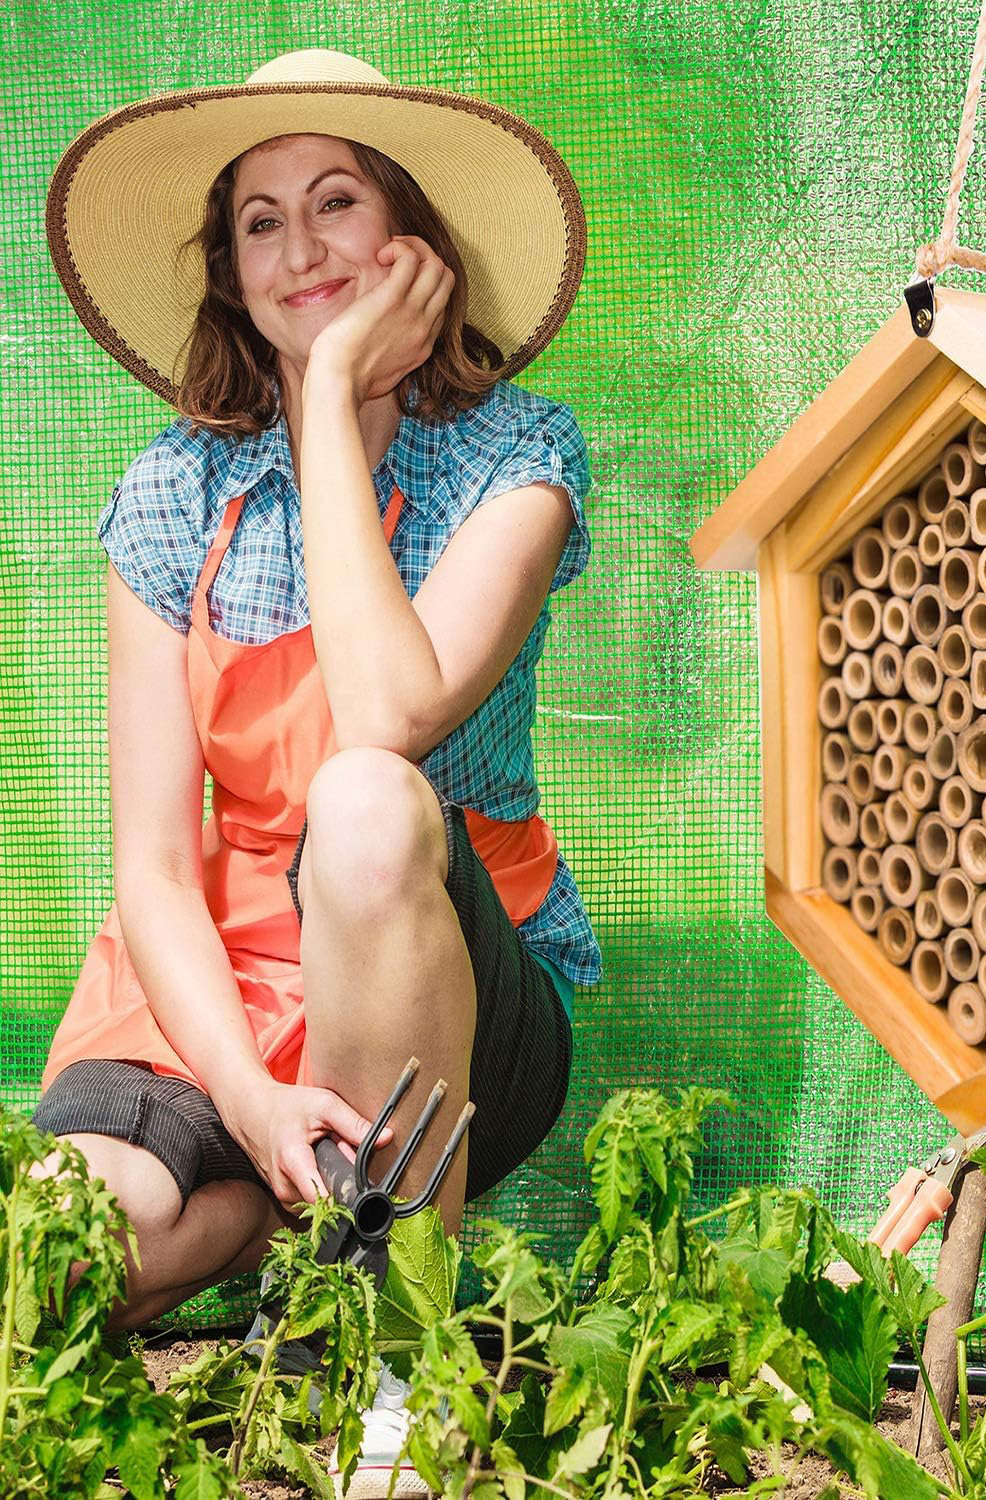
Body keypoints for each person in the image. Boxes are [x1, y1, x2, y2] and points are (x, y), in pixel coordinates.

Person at [29, 48, 599, 1493]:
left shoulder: (513, 461)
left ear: (414, 238)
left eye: (336, 202)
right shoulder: (170, 497)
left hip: (444, 998)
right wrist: (248, 1092)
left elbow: (391, 713)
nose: (301, 248)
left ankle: (390, 1360)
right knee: (68, 1254)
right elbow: (153, 869)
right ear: (228, 270)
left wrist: (334, 386)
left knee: (362, 803)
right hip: (223, 995)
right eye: (261, 221)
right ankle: (268, 1203)